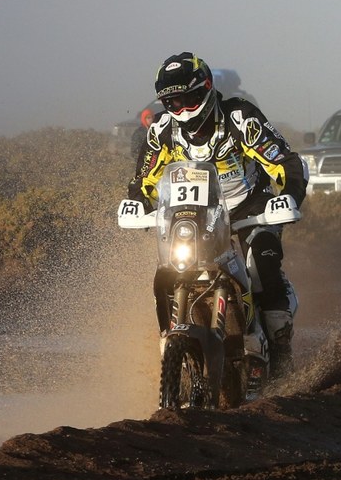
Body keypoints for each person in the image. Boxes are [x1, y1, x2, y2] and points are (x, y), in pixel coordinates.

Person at [128, 52, 307, 378]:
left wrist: (289, 198)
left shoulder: (240, 117)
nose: (182, 109)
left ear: (207, 88)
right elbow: (145, 179)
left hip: (249, 209)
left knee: (262, 267)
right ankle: (169, 344)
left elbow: (285, 162)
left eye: (189, 98)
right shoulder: (163, 129)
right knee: (165, 272)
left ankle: (281, 353)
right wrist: (138, 202)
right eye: (173, 102)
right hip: (193, 213)